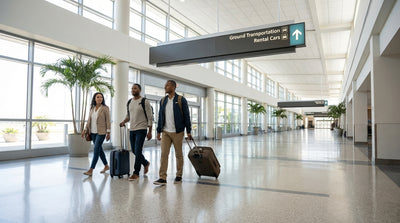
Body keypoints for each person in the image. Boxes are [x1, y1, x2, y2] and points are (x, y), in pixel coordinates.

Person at [153, 80, 192, 185]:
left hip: (178, 132)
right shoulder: (163, 100)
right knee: (164, 154)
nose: (165, 86)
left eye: (168, 85)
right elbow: (160, 116)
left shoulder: (181, 100)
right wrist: (158, 131)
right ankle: (162, 177)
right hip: (165, 132)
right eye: (165, 85)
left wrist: (188, 131)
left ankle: (179, 175)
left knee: (178, 155)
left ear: (174, 87)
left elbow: (187, 116)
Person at [120, 84, 152, 181]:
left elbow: (150, 117)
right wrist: (123, 121)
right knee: (134, 150)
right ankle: (145, 163)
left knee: (138, 150)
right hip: (132, 129)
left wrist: (150, 131)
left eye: (135, 88)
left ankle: (136, 172)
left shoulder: (144, 101)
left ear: (139, 90)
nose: (133, 90)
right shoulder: (130, 102)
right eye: (132, 88)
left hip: (141, 129)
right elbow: (128, 116)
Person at [81, 92, 111, 176]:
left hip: (101, 132)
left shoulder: (105, 108)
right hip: (93, 132)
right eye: (98, 97)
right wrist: (85, 130)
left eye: (101, 97)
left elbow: (108, 121)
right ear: (94, 98)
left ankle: (91, 169)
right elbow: (89, 121)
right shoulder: (92, 108)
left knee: (96, 149)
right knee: (99, 150)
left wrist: (108, 132)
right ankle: (106, 166)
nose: (99, 98)